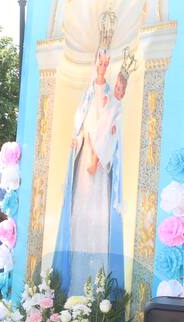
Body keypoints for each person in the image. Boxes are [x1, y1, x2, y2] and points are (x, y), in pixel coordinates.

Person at [54, 39, 134, 295]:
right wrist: (79, 141)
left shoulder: (111, 100)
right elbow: (79, 128)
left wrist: (102, 144)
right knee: (80, 219)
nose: (102, 65)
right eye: (100, 61)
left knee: (99, 218)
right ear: (94, 63)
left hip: (100, 173)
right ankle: (76, 283)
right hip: (84, 167)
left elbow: (114, 131)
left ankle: (99, 286)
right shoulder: (87, 97)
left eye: (106, 62)